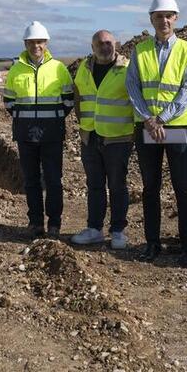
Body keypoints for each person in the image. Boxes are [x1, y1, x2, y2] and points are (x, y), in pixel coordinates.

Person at [125, 0, 187, 267]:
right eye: (159, 16)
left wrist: (162, 119)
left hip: (176, 126)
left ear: (176, 18)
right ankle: (152, 243)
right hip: (147, 126)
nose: (164, 20)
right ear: (151, 19)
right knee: (150, 187)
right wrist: (148, 118)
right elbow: (132, 85)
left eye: (169, 16)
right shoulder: (140, 50)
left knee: (183, 187)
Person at [3, 21, 75, 239]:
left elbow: (69, 100)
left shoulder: (59, 69)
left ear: (46, 43)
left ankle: (54, 224)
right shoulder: (16, 70)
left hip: (52, 134)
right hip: (25, 134)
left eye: (40, 41)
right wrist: (26, 120)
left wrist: (52, 119)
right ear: (26, 43)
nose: (36, 46)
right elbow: (8, 101)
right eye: (32, 42)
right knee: (31, 180)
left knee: (53, 180)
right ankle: (35, 223)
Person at [70, 30, 134, 250]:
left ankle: (118, 231)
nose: (105, 47)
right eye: (100, 44)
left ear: (115, 44)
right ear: (92, 47)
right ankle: (94, 229)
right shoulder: (84, 68)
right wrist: (83, 123)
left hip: (118, 137)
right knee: (95, 185)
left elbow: (136, 100)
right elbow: (78, 96)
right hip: (90, 135)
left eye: (109, 43)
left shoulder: (127, 68)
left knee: (117, 185)